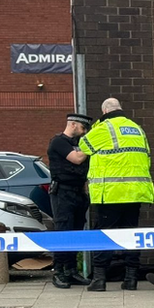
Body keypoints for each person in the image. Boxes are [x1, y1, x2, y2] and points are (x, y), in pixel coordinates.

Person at [71, 98, 154, 292]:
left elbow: (83, 147)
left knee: (104, 235)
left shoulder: (104, 128)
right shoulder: (137, 129)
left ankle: (99, 279)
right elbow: (147, 158)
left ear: (104, 111)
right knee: (132, 235)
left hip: (111, 193)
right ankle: (131, 278)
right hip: (136, 192)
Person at [47, 113, 93, 289]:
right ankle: (58, 271)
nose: (85, 132)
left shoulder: (77, 144)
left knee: (76, 232)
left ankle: (71, 270)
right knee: (63, 231)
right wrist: (93, 143)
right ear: (73, 124)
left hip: (79, 192)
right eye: (83, 128)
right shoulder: (59, 142)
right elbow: (77, 158)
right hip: (63, 192)